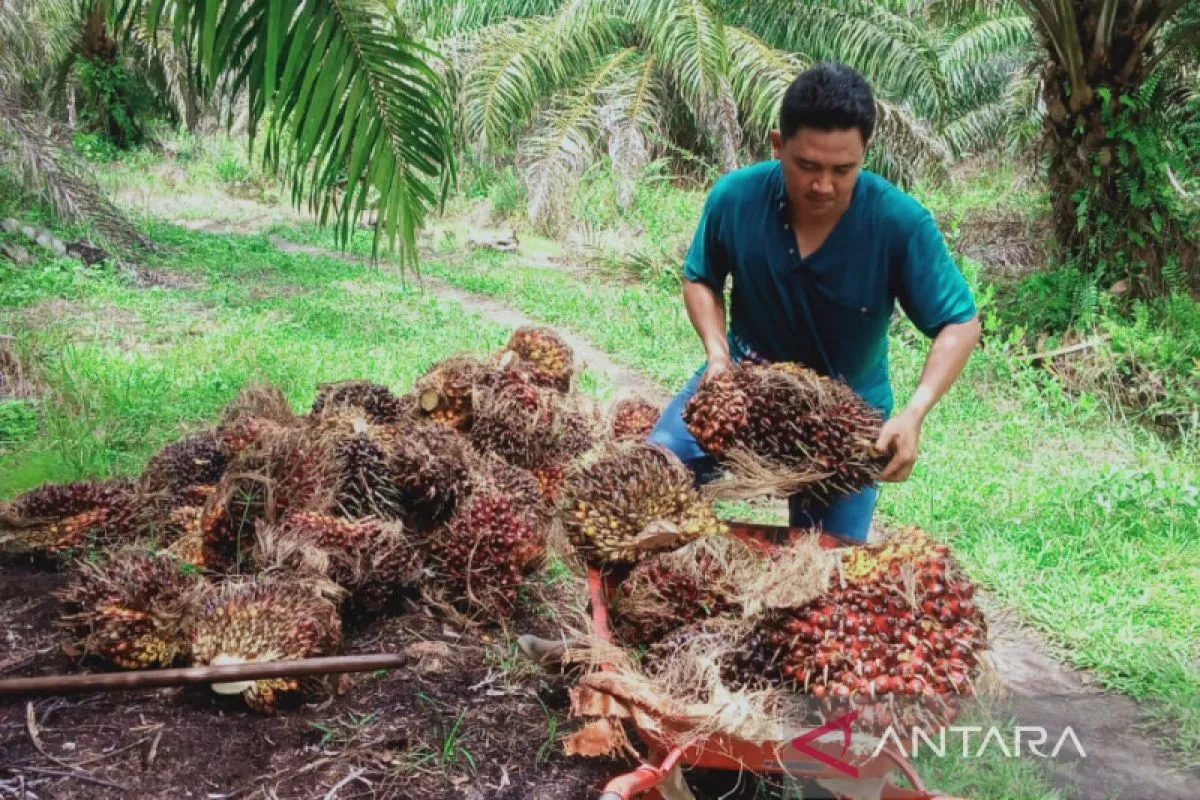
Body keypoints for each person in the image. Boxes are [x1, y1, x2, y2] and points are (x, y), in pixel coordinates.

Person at [647, 62, 981, 544]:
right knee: (654, 476)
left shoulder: (898, 223)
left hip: (846, 413)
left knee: (825, 557)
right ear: (777, 144)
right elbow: (701, 278)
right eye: (807, 166)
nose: (823, 185)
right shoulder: (736, 199)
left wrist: (914, 413)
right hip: (742, 384)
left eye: (843, 170)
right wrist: (717, 356)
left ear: (866, 152)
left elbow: (960, 323)